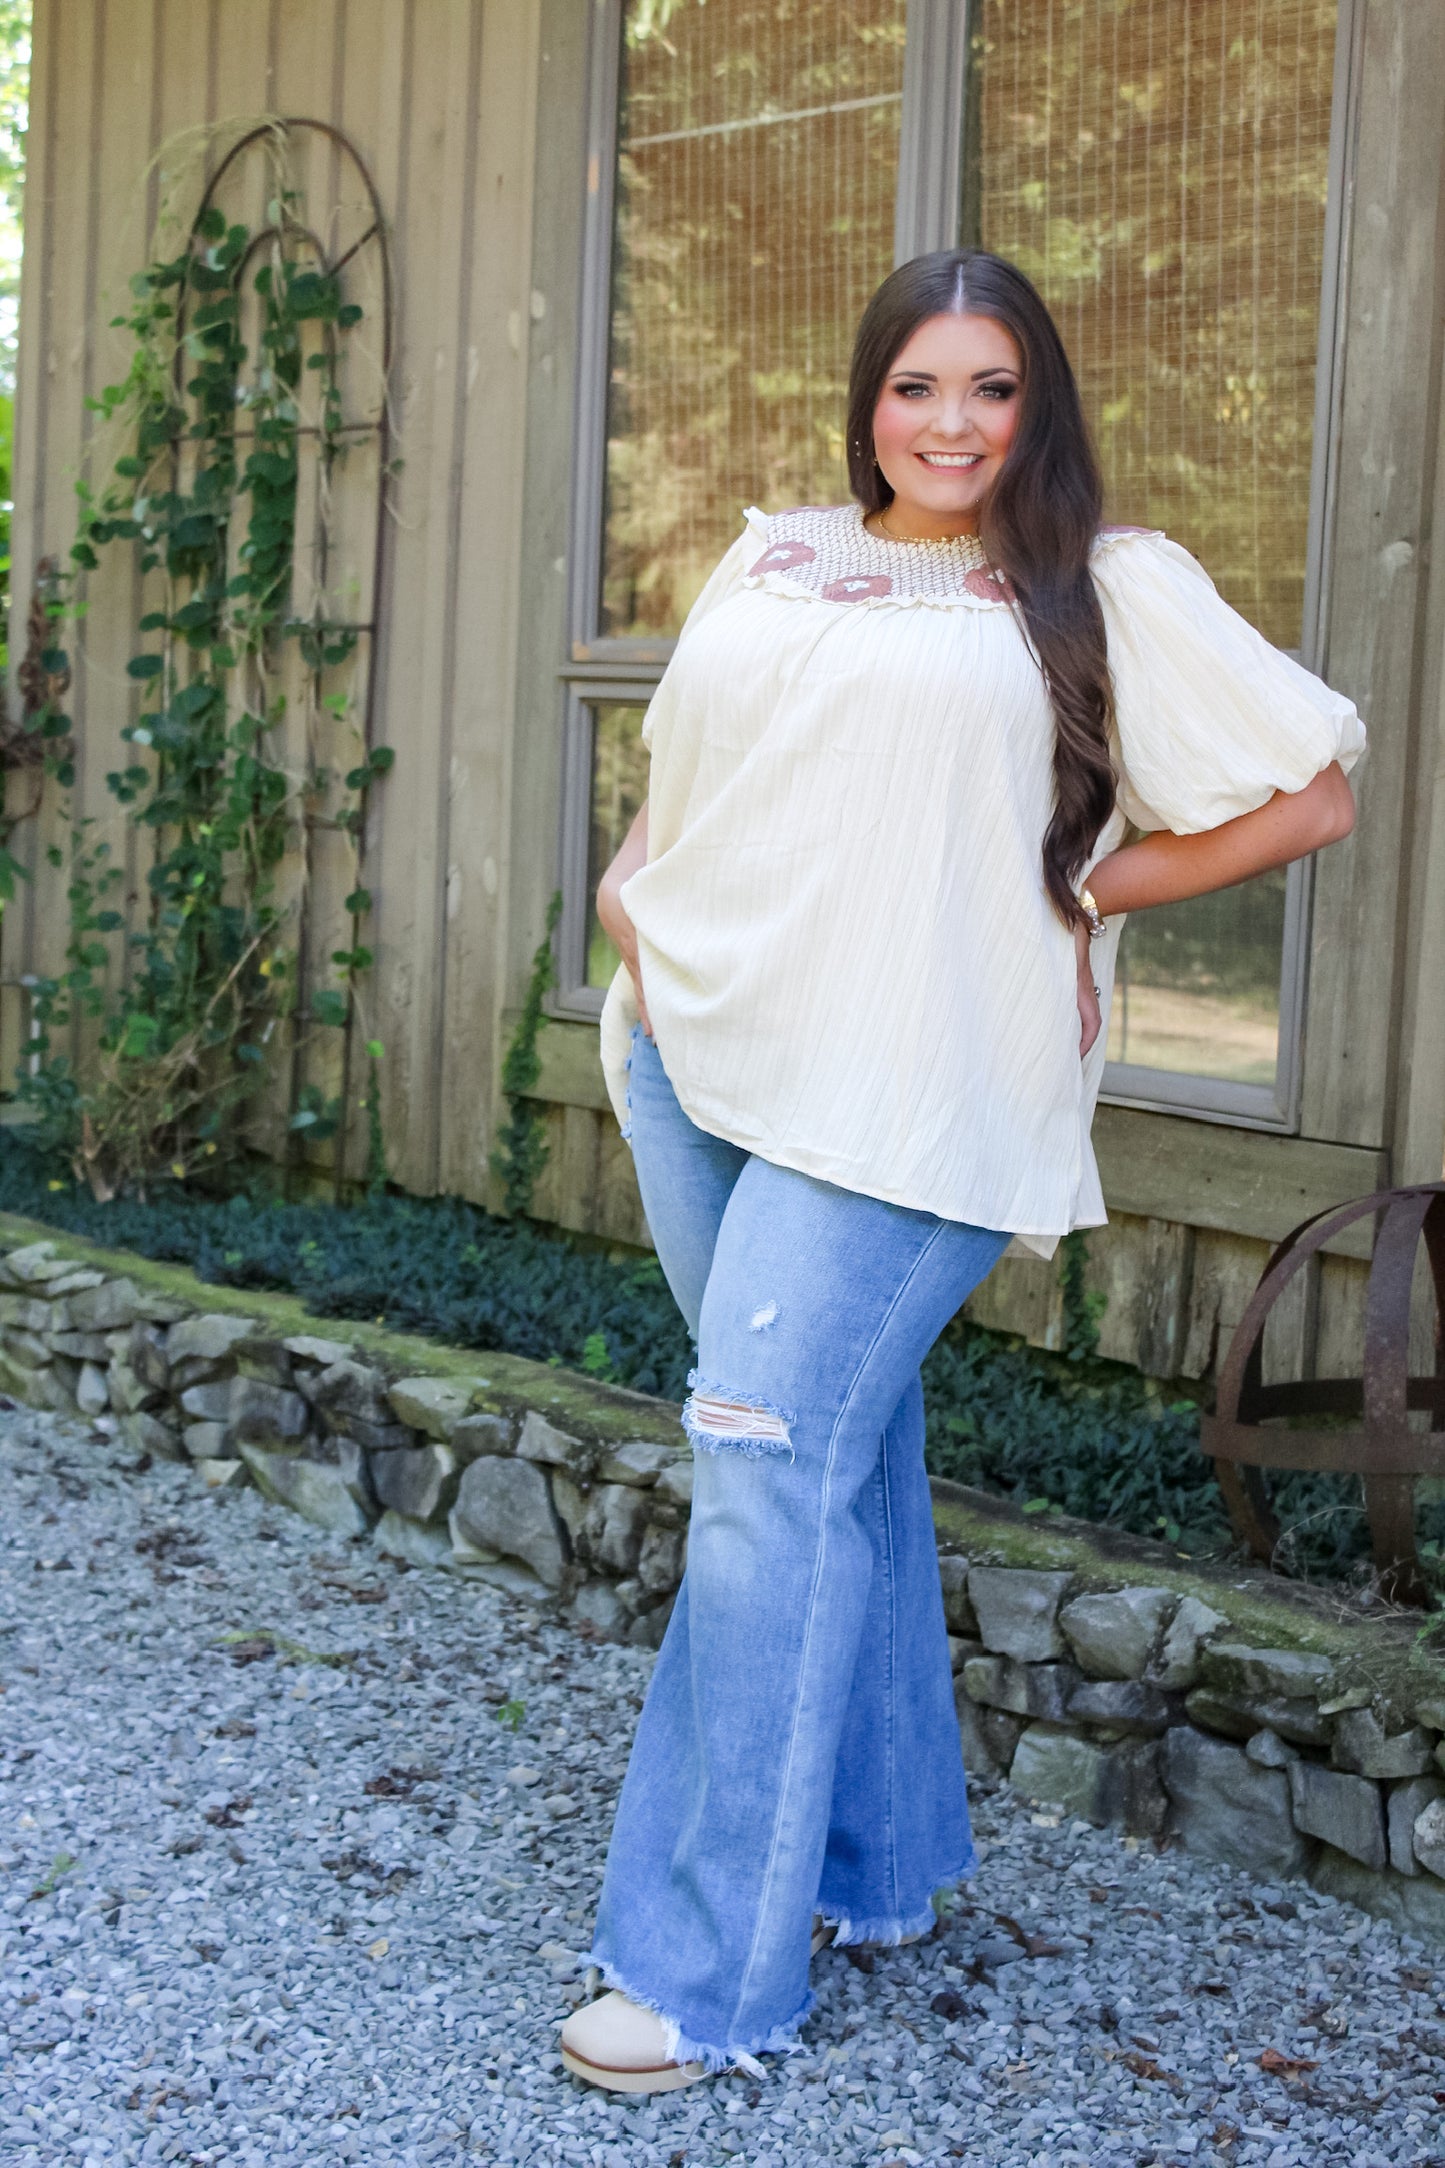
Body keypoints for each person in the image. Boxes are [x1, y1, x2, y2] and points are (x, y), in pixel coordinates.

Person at [558, 249, 1364, 2094]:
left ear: (1035, 404)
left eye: (989, 389)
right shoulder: (774, 556)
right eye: (917, 387)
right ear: (868, 400)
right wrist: (632, 886)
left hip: (915, 1092)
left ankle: (702, 1981)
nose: (949, 424)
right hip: (696, 1048)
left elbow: (1306, 795)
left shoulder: (1098, 584)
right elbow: (697, 762)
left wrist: (1073, 884)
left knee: (759, 1451)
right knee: (841, 1457)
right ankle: (879, 1863)